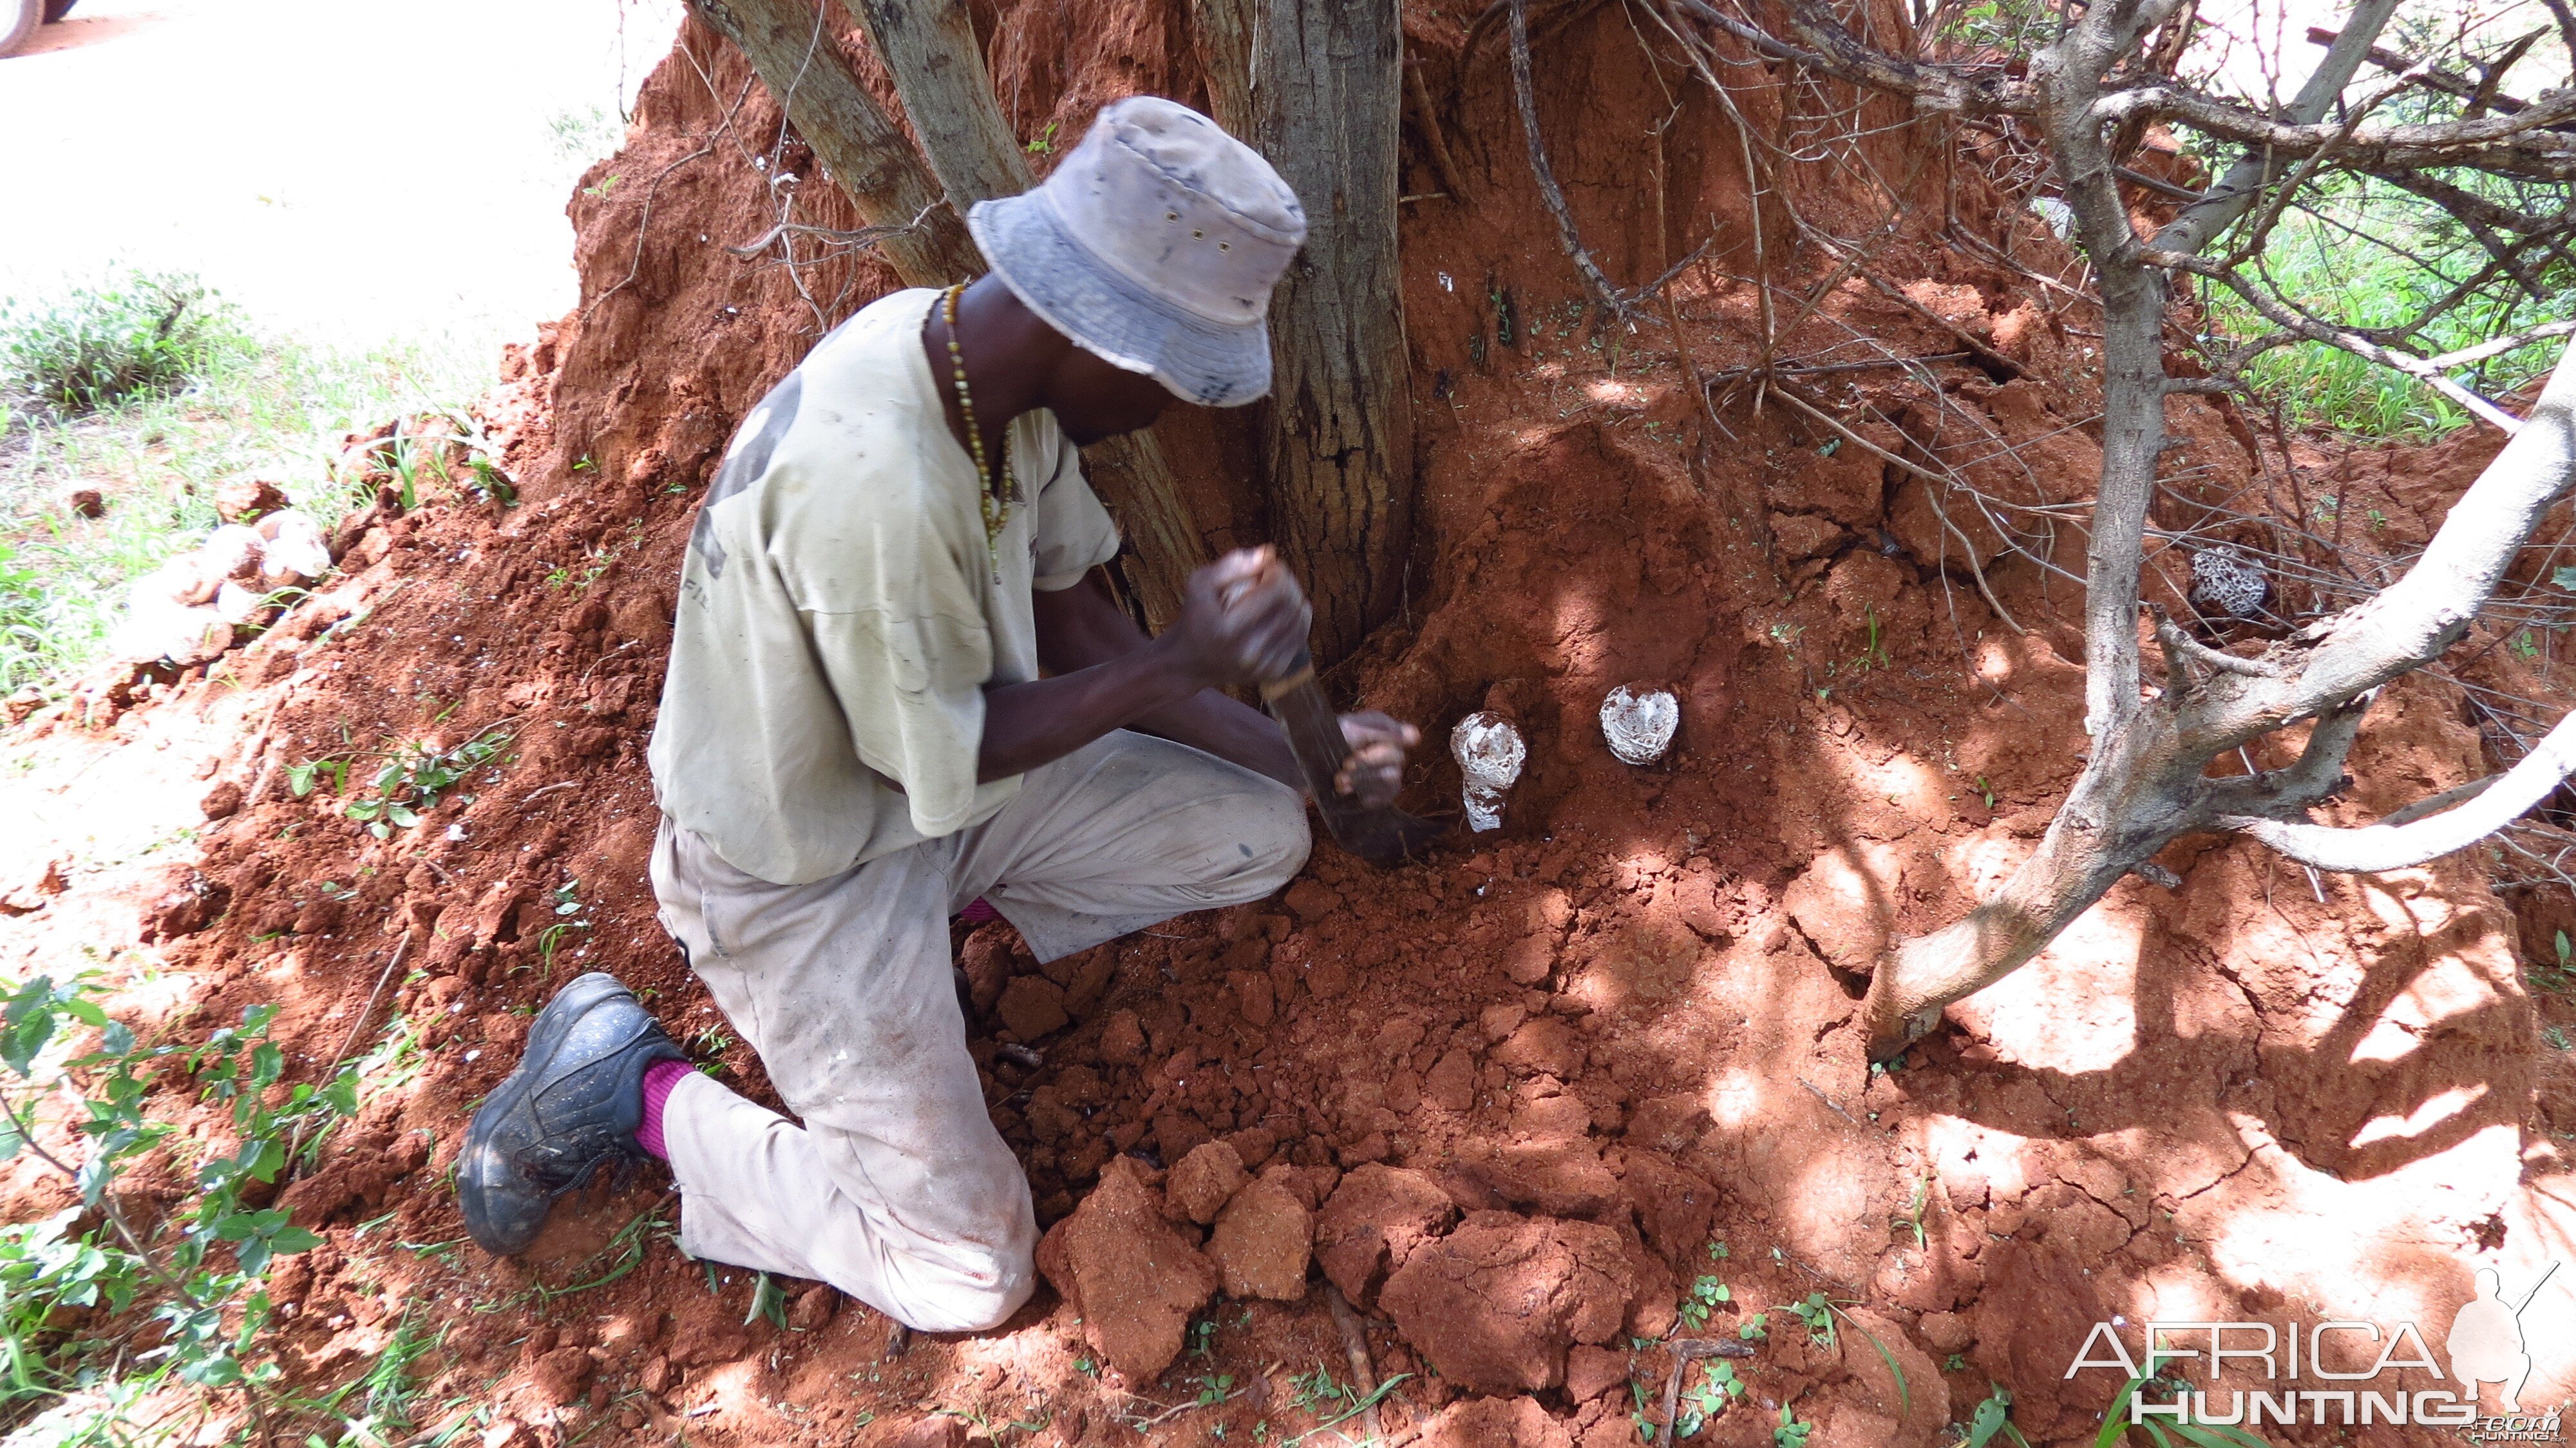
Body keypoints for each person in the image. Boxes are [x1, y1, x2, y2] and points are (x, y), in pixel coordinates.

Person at [453, 97, 1419, 1334]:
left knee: (1258, 832)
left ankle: (937, 939)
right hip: (805, 875)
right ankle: (624, 1086)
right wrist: (1185, 658)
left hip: (941, 805)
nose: (1175, 415)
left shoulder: (983, 374)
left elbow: (1077, 630)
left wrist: (1310, 762)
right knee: (969, 1273)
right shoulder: (878, 486)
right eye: (1176, 384)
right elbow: (961, 745)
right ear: (1109, 347)